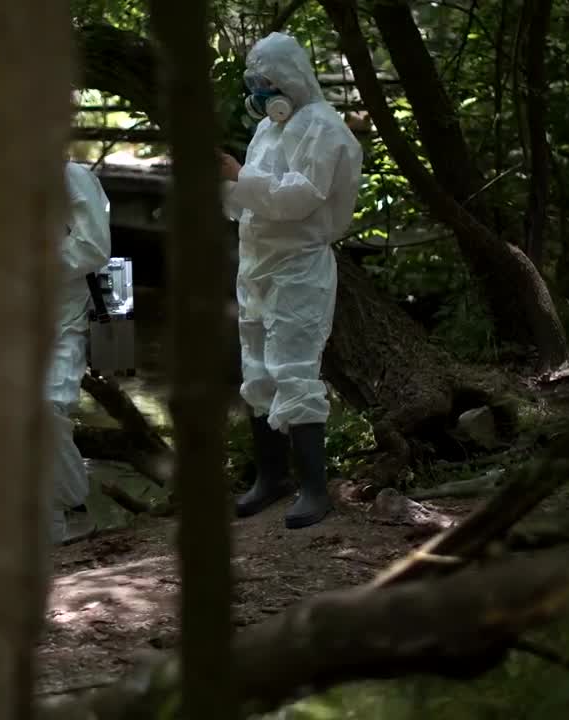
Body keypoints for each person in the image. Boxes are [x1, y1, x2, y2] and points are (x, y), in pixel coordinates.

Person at [219, 32, 363, 529]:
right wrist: (224, 185)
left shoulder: (324, 128)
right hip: (256, 265)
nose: (258, 92)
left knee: (295, 370)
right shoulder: (268, 131)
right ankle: (271, 477)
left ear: (288, 79)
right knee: (257, 373)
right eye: (252, 83)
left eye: (264, 82)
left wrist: (240, 178)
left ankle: (315, 489)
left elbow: (297, 198)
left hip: (299, 266)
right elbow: (250, 200)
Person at [47, 161, 113, 544]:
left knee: (46, 408)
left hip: (63, 317)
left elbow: (93, 246)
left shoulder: (71, 176)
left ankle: (72, 506)